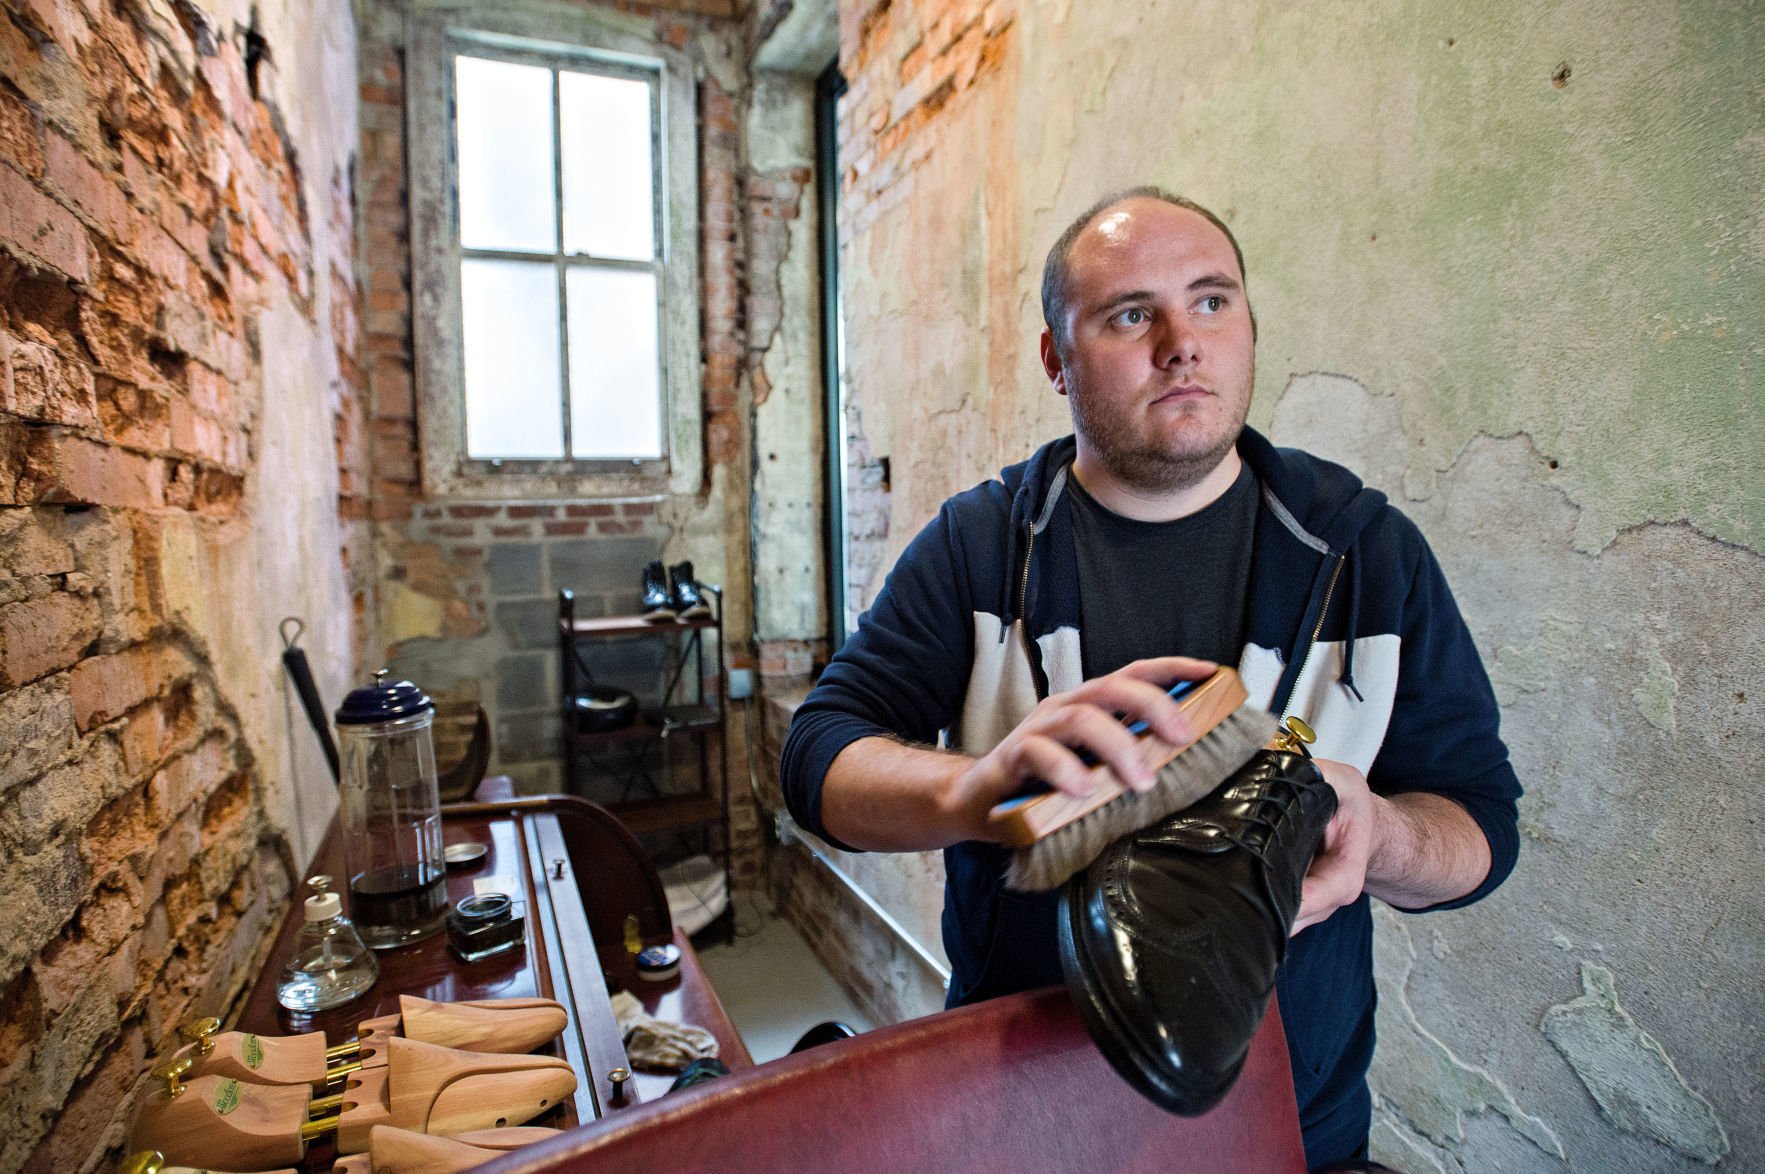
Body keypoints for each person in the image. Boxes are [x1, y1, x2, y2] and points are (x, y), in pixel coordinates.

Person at [780, 187, 1521, 1170]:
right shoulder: (979, 545)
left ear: (1248, 325)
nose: (1183, 343)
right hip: (1030, 1120)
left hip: (1294, 1125)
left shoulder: (1365, 551)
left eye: (1212, 302)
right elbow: (816, 755)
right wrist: (969, 791)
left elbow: (1481, 826)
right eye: (1132, 314)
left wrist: (1381, 833)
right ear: (1057, 357)